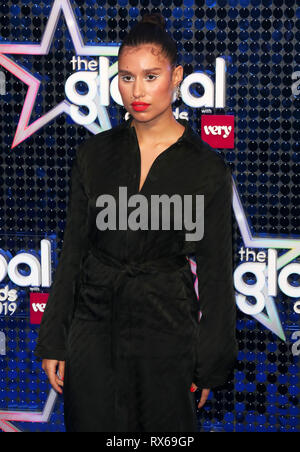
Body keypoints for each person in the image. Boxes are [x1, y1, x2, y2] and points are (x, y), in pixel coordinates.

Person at [34, 13, 238, 432]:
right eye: (127, 77)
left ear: (176, 76)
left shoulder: (206, 169)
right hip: (92, 330)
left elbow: (217, 275)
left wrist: (208, 364)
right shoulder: (94, 155)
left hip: (167, 330)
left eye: (151, 76)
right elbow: (72, 252)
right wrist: (55, 339)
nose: (137, 91)